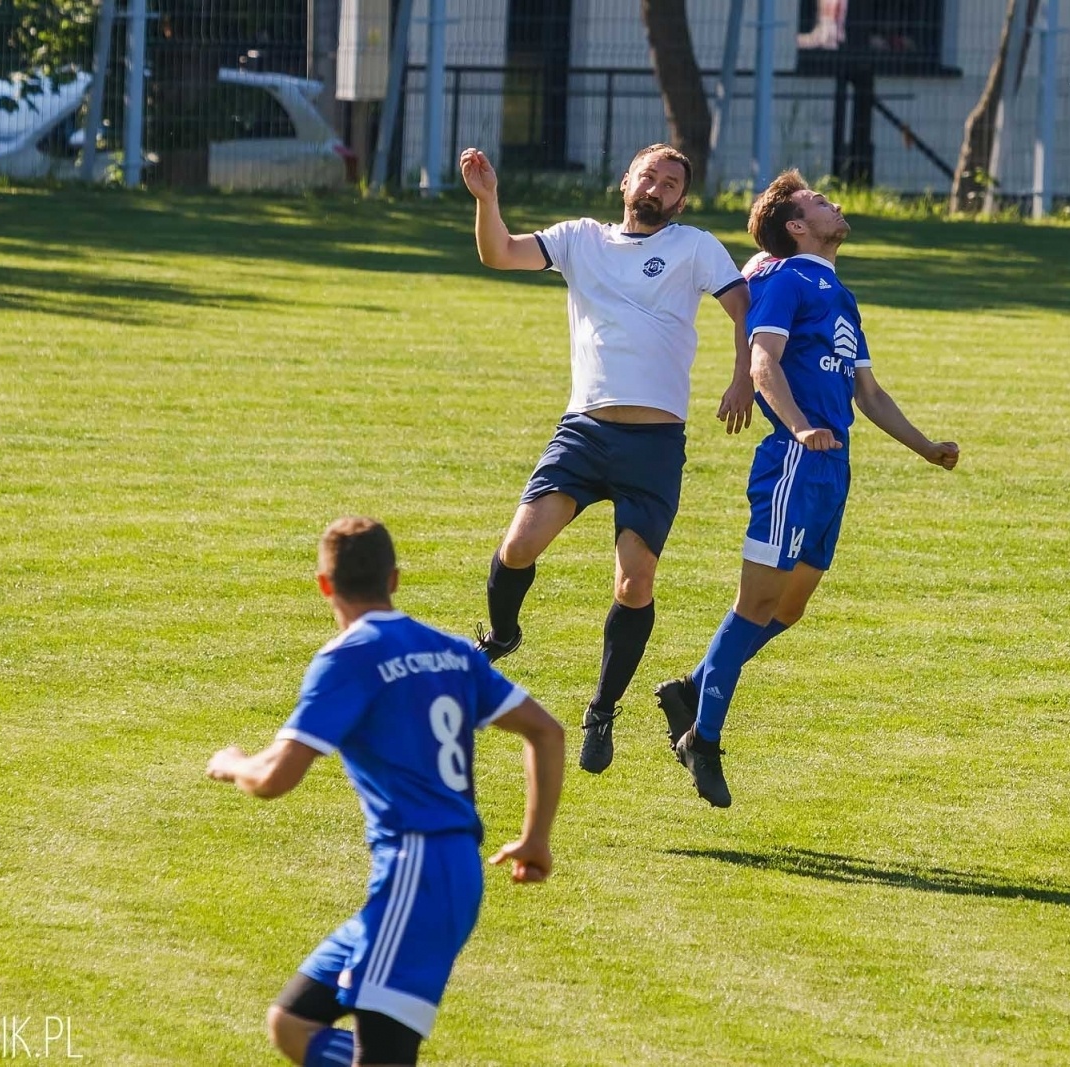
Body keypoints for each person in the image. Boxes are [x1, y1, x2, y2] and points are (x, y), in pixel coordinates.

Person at [206, 517, 564, 1067]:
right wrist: (535, 838)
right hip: (449, 872)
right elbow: (546, 731)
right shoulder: (451, 651)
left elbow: (276, 778)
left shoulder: (348, 657)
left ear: (324, 584)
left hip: (415, 871)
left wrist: (232, 764)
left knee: (383, 1058)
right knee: (293, 1023)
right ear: (394, 579)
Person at [655, 170, 961, 809]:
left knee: (788, 608)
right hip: (795, 462)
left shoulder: (840, 294)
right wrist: (799, 428)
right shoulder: (790, 278)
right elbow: (764, 360)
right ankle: (701, 739)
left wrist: (927, 447)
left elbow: (868, 393)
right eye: (820, 201)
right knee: (754, 604)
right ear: (797, 227)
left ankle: (695, 685)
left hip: (831, 471)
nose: (837, 204)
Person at [458, 142, 755, 776]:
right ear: (626, 181)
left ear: (681, 200)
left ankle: (602, 708)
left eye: (671, 183)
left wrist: (743, 378)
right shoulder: (579, 239)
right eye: (649, 175)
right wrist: (488, 201)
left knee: (634, 583)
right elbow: (500, 253)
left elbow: (742, 306)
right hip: (584, 431)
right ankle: (503, 634)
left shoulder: (695, 246)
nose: (657, 187)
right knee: (518, 546)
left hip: (653, 445)